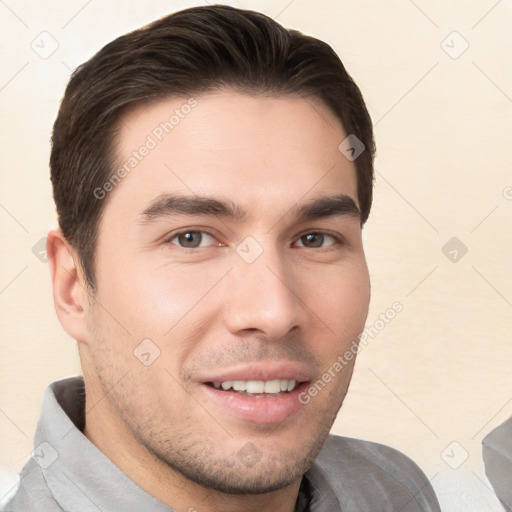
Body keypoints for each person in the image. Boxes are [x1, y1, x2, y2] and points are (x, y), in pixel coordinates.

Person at [3, 5, 441, 511]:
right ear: (73, 286)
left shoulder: (392, 490)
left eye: (315, 238)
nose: (273, 312)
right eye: (191, 238)